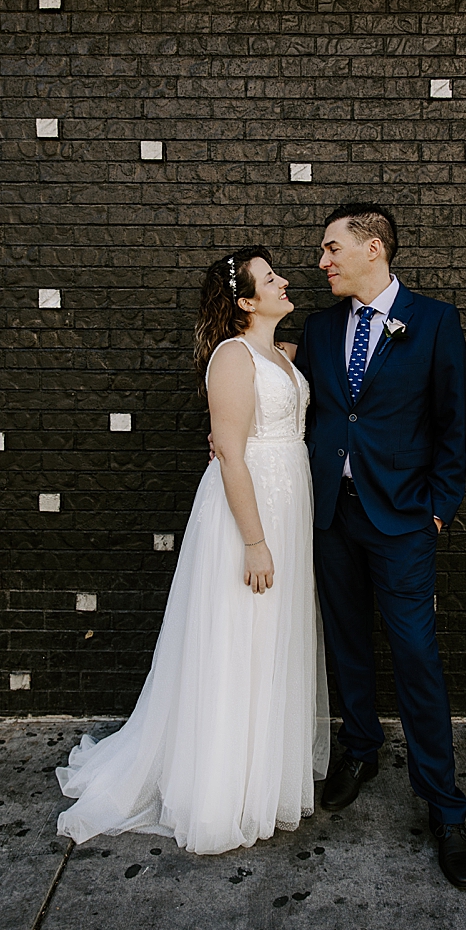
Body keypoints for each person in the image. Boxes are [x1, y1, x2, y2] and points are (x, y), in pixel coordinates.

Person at [55, 251, 329, 853]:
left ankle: (260, 771)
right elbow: (229, 452)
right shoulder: (232, 357)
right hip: (248, 512)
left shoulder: (282, 354)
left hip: (288, 502)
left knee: (271, 636)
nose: (286, 281)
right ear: (246, 301)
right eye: (271, 278)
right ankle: (219, 789)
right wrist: (254, 542)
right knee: (238, 635)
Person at [292, 204, 466, 889]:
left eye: (331, 248)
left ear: (373, 248)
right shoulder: (319, 329)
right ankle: (360, 748)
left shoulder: (435, 321)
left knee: (416, 657)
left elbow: (452, 423)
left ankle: (445, 807)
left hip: (403, 521)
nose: (322, 262)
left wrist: (438, 511)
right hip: (333, 516)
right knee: (345, 642)